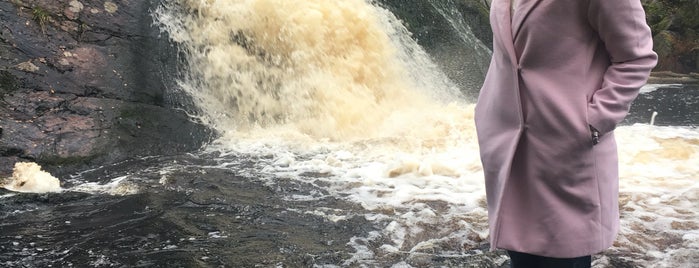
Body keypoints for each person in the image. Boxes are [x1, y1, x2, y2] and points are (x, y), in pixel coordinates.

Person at [473, 0, 658, 267]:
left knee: (562, 258)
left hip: (565, 147)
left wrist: (595, 120)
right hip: (506, 146)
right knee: (522, 257)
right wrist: (485, 114)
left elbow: (636, 57)